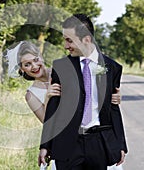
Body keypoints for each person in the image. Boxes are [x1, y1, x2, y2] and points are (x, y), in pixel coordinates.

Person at [6, 40, 123, 170]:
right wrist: (48, 98)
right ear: (22, 69)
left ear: (41, 56)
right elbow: (48, 122)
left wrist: (113, 96)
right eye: (27, 64)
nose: (34, 66)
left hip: (95, 141)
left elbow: (92, 90)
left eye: (35, 59)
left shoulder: (65, 69)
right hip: (68, 145)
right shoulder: (31, 95)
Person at [38, 14, 128, 170]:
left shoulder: (112, 68)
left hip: (99, 143)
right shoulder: (61, 67)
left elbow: (113, 107)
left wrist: (121, 143)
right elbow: (53, 107)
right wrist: (45, 144)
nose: (66, 46)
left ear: (86, 39)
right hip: (67, 143)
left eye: (69, 40)